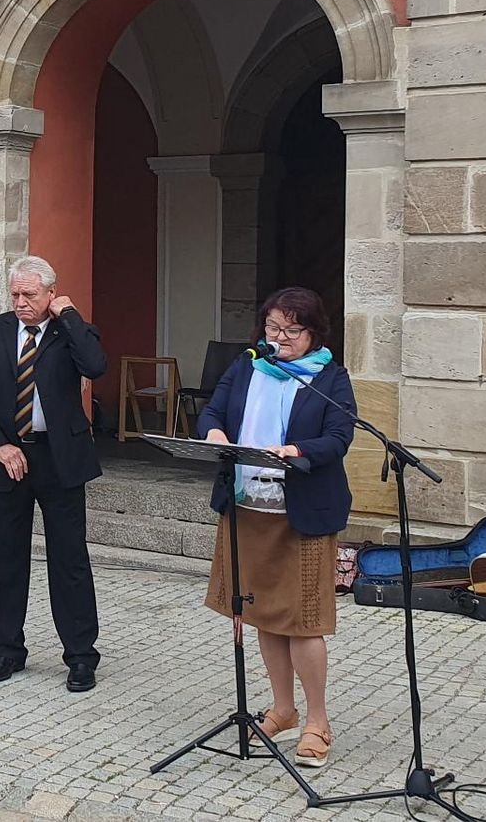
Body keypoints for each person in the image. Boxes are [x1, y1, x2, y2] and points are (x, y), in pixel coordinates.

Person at [198, 286, 354, 769]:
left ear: (314, 333)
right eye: (272, 327)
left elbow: (339, 437)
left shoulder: (330, 378)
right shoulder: (247, 366)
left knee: (304, 621)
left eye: (291, 330)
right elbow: (212, 411)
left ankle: (318, 721)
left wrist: (298, 450)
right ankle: (283, 710)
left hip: (301, 513)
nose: (280, 338)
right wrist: (215, 433)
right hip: (248, 507)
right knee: (262, 613)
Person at [0, 255, 107, 693]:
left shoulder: (69, 331)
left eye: (30, 294)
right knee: (6, 559)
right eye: (15, 294)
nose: (21, 302)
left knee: (69, 560)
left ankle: (80, 656)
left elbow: (95, 365)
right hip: (7, 460)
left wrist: (69, 314)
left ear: (50, 294)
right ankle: (8, 649)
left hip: (60, 460)